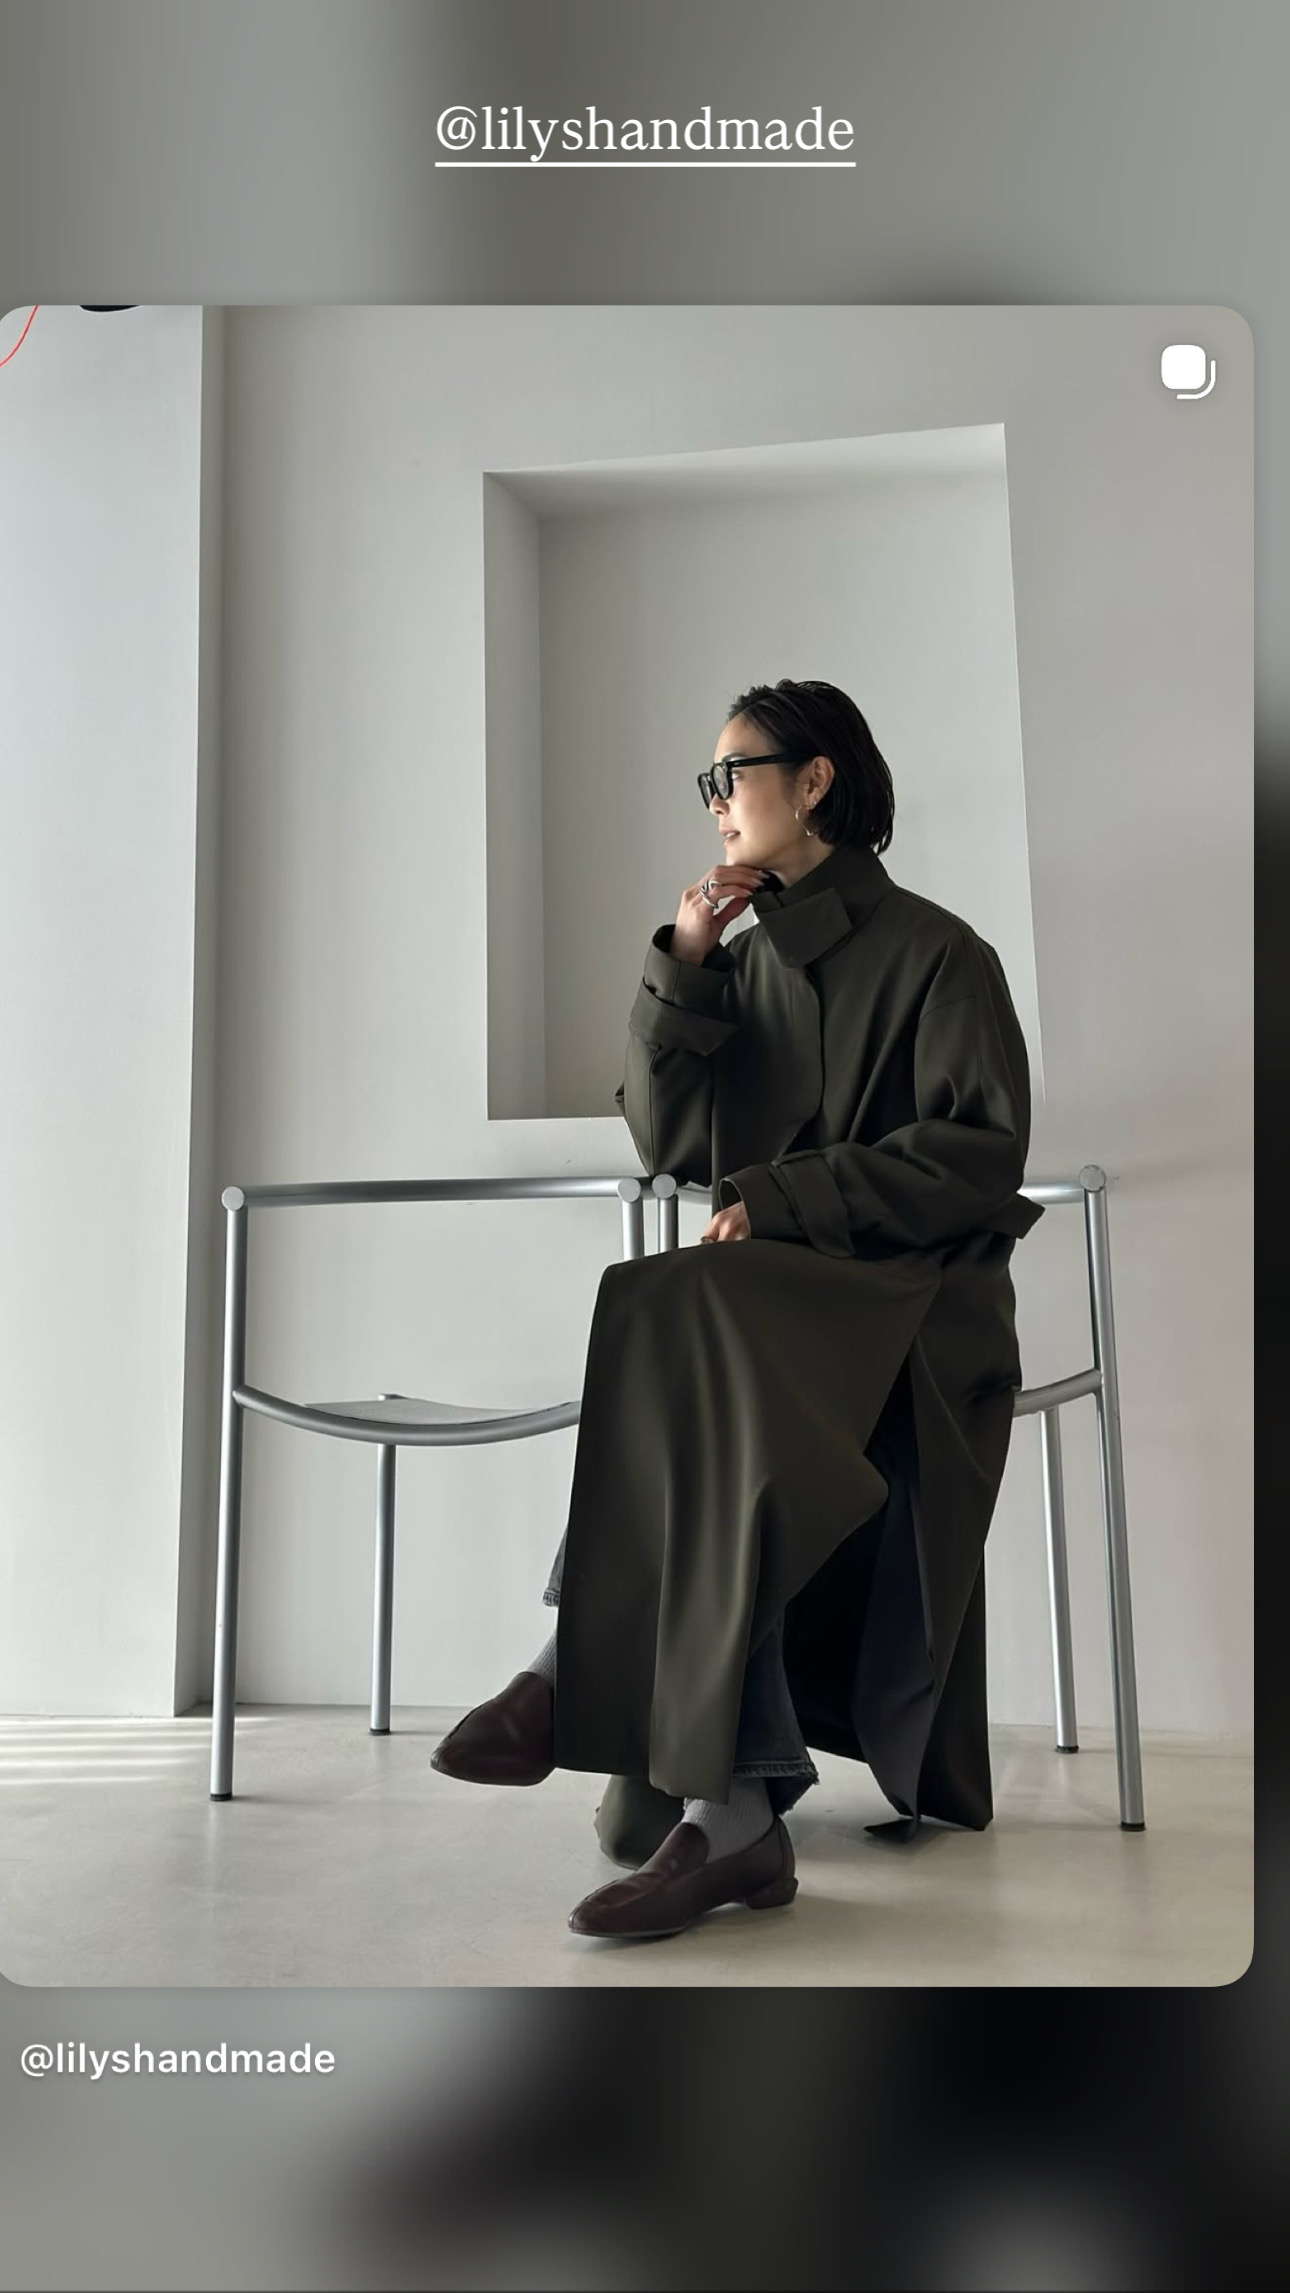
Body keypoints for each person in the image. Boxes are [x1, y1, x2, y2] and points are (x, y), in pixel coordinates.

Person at [432, 677, 1044, 1942]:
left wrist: (780, 1195)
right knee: (672, 1303)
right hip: (764, 1316)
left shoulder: (942, 954)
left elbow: (980, 1153)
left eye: (734, 773)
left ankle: (578, 1673)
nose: (715, 801)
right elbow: (666, 1146)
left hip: (913, 1308)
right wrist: (684, 962)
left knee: (688, 1299)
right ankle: (734, 1810)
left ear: (813, 781)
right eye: (706, 782)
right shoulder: (742, 966)